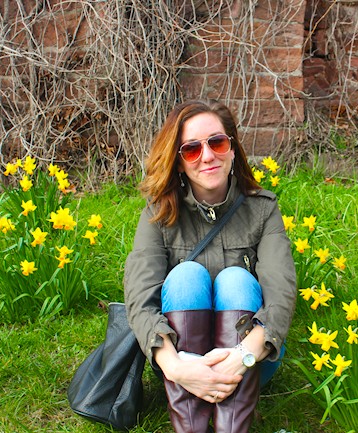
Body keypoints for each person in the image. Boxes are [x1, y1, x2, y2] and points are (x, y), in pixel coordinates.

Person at [123, 100, 297, 433]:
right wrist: (176, 368)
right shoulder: (159, 214)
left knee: (236, 279)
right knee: (186, 276)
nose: (207, 156)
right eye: (191, 149)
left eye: (216, 143)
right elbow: (140, 300)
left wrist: (241, 356)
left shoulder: (262, 209)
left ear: (231, 148)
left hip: (251, 358)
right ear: (178, 162)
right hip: (178, 361)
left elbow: (281, 294)